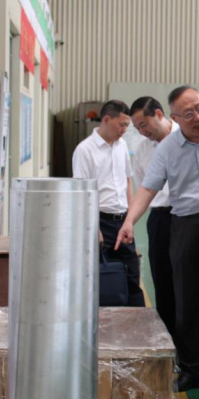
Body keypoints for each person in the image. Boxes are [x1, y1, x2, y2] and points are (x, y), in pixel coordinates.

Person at [117, 86, 199, 396]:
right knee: (187, 300)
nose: (198, 117)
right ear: (175, 117)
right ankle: (191, 369)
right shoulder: (167, 148)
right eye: (189, 113)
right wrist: (129, 221)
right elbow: (148, 189)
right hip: (186, 226)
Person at [72, 100, 144, 307]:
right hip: (100, 222)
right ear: (106, 119)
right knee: (99, 278)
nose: (124, 130)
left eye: (127, 126)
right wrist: (93, 227)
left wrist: (130, 219)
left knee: (132, 274)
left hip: (122, 221)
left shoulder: (122, 146)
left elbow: (127, 181)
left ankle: (136, 321)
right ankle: (101, 322)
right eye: (121, 125)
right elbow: (82, 192)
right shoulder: (85, 150)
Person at [130, 96, 180, 336]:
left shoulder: (185, 137)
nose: (142, 132)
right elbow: (144, 188)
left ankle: (194, 342)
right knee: (163, 279)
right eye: (137, 128)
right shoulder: (142, 149)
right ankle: (169, 338)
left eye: (144, 125)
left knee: (191, 280)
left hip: (186, 217)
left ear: (159, 114)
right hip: (159, 218)